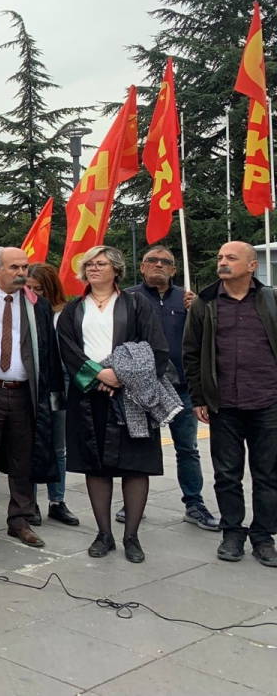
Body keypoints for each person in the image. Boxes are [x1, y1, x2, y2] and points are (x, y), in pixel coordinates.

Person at [57, 245, 168, 564]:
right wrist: (99, 375)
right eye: (89, 264)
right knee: (95, 465)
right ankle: (103, 534)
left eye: (101, 263)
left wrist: (120, 375)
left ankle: (131, 536)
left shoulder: (136, 304)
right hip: (89, 395)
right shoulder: (74, 309)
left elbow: (155, 347)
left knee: (136, 466)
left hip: (131, 396)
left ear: (116, 269)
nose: (94, 268)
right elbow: (68, 349)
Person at [184, 241, 277, 567]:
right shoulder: (205, 303)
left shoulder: (271, 299)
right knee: (226, 475)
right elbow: (191, 353)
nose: (223, 262)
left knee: (268, 475)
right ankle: (232, 533)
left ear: (252, 266)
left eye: (231, 258)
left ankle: (263, 537)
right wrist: (198, 397)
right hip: (223, 405)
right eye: (220, 257)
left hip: (268, 401)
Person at [0, 247, 63, 548]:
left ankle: (20, 520)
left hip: (25, 393)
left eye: (24, 267)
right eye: (15, 267)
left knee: (24, 458)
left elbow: (49, 351)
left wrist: (53, 397)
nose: (22, 273)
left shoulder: (38, 306)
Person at [123, 246, 218, 531]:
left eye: (166, 262)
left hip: (182, 388)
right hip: (144, 387)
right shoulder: (128, 298)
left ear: (174, 270)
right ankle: (132, 503)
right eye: (152, 260)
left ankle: (194, 504)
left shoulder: (187, 299)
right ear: (142, 266)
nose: (158, 265)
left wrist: (200, 309)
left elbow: (207, 337)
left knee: (187, 448)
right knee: (139, 447)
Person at [25, 262, 79, 526]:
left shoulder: (65, 312)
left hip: (61, 381)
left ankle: (57, 500)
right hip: (32, 380)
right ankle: (29, 502)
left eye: (39, 289)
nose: (34, 293)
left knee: (58, 444)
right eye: (30, 288)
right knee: (30, 443)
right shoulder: (23, 309)